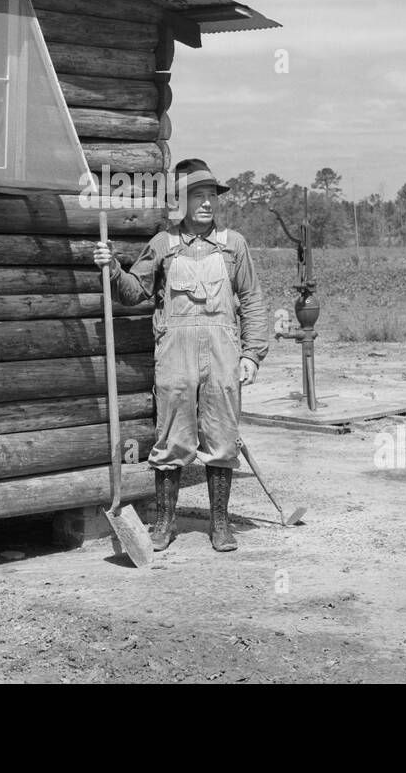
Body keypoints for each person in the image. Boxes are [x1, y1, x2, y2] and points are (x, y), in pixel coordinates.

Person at [93, 159, 269, 551]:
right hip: (174, 354)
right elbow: (131, 294)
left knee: (222, 437)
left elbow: (253, 300)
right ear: (181, 202)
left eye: (211, 195)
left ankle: (220, 526)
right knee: (172, 438)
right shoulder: (163, 245)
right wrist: (111, 269)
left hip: (224, 352)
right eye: (197, 195)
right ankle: (164, 525)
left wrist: (252, 355)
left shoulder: (233, 244)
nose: (207, 203)